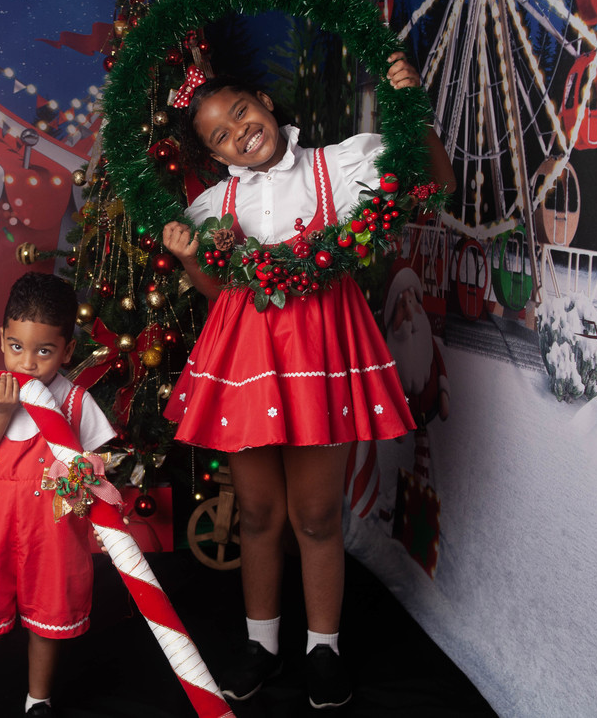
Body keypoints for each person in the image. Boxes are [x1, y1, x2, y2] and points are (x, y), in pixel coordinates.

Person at [160, 54, 456, 710]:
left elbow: (434, 184)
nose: (239, 131)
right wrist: (189, 259)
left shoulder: (337, 166)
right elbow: (218, 291)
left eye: (241, 112)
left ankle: (324, 649)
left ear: (265, 102)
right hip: (247, 365)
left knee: (317, 514)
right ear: (214, 154)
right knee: (259, 512)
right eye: (220, 134)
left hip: (323, 353)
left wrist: (415, 116)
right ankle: (260, 646)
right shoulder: (217, 203)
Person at [0, 272, 116, 718]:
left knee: (47, 625)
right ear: (2, 339)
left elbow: (94, 470)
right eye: (17, 347)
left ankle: (37, 701)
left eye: (44, 351)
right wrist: (0, 414)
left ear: (67, 350)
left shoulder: (76, 403)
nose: (28, 364)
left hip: (54, 534)